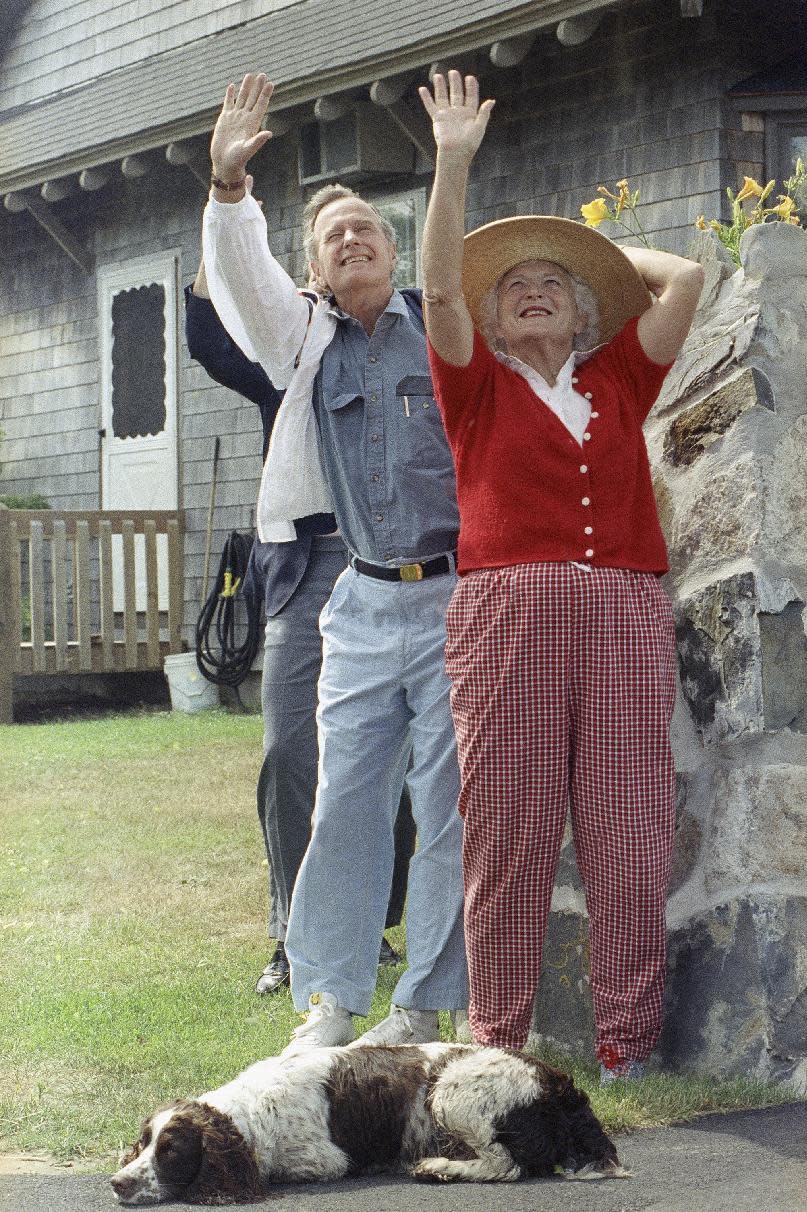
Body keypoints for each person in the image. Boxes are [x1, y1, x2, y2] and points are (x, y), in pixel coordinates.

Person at [418, 71, 704, 1081]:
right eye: (517, 285)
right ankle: (497, 1039)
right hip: (509, 615)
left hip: (625, 609)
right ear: (494, 321)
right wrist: (455, 162)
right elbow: (443, 285)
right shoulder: (477, 386)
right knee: (511, 824)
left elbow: (688, 280)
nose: (532, 289)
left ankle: (624, 1046)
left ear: (583, 312)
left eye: (554, 283)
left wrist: (592, 255)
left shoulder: (622, 375)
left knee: (630, 826)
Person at [201, 73, 468, 1049]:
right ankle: (332, 1000)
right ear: (311, 270)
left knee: (444, 810)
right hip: (354, 599)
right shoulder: (301, 337)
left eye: (368, 229)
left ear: (394, 252)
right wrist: (231, 189)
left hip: (453, 601)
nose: (352, 238)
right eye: (332, 236)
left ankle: (422, 1008)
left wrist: (450, 162)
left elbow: (454, 280)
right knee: (346, 800)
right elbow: (241, 281)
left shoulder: (441, 336)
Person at [184, 257, 416, 994]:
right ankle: (292, 933)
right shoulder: (285, 353)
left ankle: (371, 923)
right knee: (290, 748)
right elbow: (209, 343)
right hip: (308, 561)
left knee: (399, 759)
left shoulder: (407, 342)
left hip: (398, 560)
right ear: (310, 272)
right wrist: (218, 232)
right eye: (328, 250)